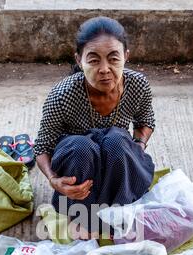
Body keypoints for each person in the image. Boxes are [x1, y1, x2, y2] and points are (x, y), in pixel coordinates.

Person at [35, 16, 155, 240]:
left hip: (114, 157)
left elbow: (145, 120)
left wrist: (138, 145)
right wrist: (53, 179)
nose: (104, 69)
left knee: (118, 141)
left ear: (126, 57)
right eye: (93, 60)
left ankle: (117, 211)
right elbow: (42, 146)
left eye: (113, 59)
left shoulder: (138, 84)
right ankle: (83, 217)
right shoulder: (62, 95)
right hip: (79, 165)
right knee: (81, 146)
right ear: (79, 61)